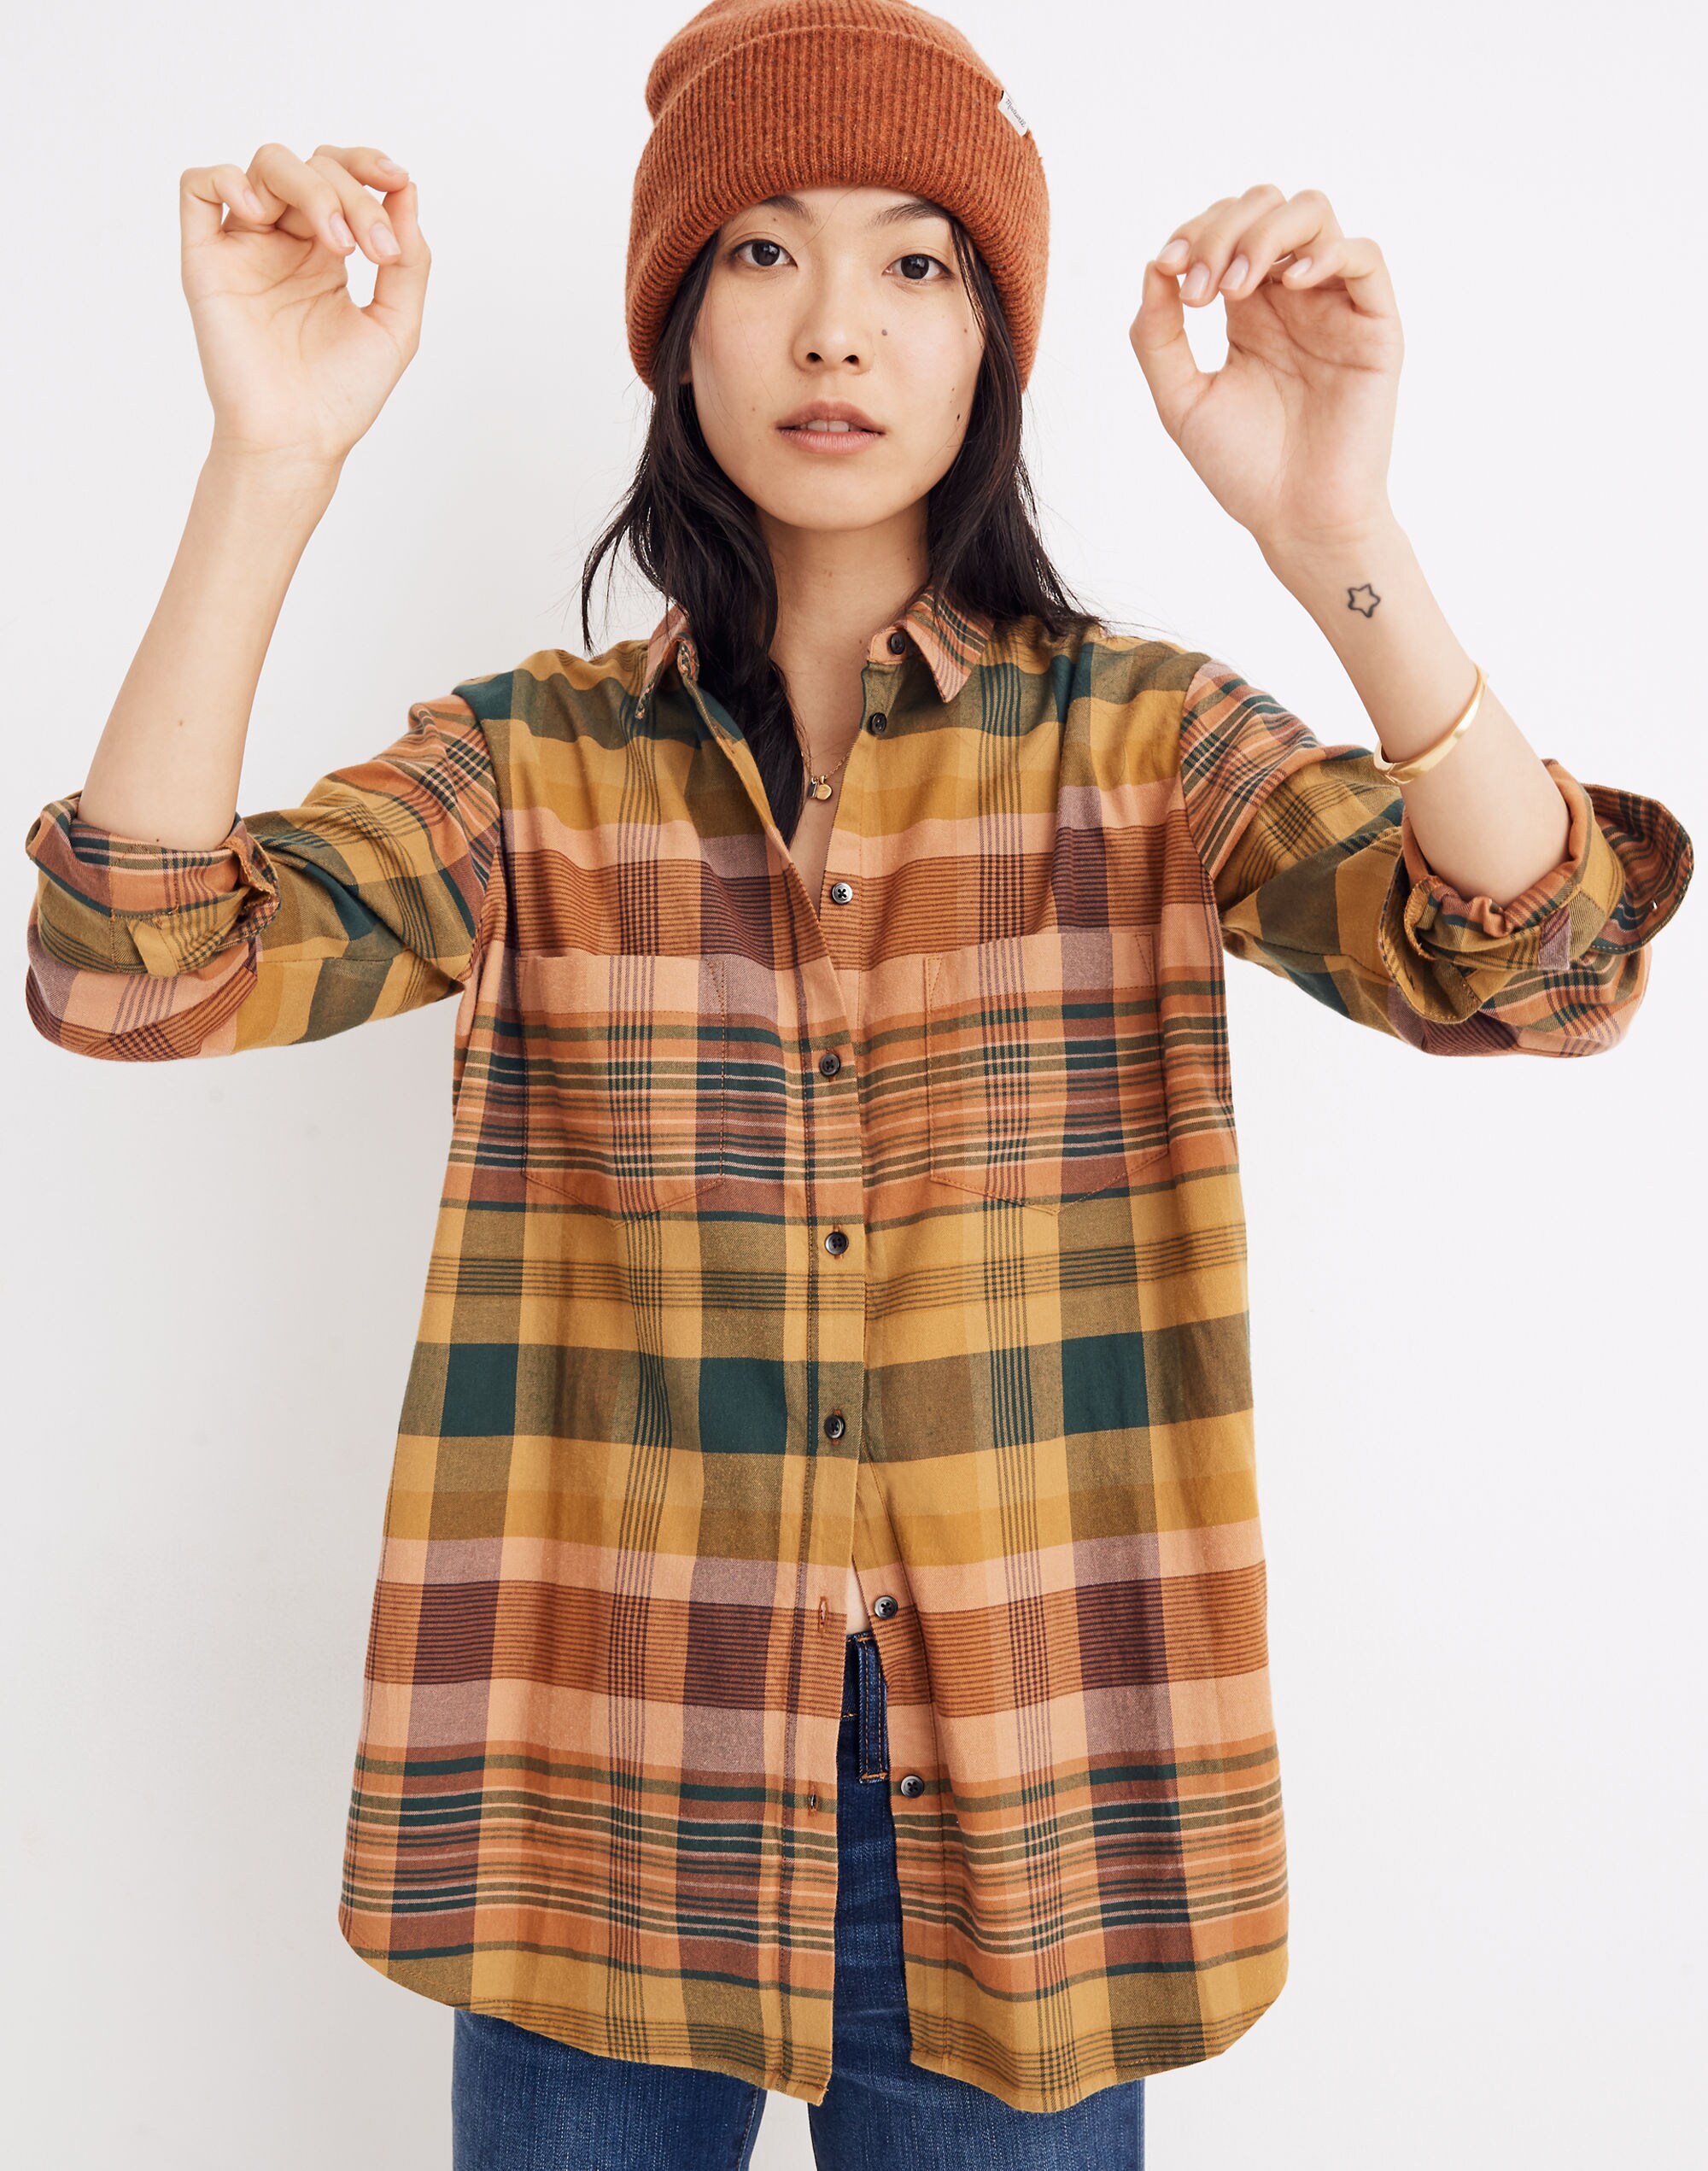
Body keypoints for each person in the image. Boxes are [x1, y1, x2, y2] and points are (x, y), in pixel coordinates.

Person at [21, 2, 1693, 2166]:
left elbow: (1543, 966)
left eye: (914, 260)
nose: (835, 326)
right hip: (597, 1787)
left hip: (1030, 1812)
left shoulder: (1145, 744)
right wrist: (270, 460)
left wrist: (1335, 533)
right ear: (678, 329)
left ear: (992, 335)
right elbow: (133, 973)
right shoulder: (528, 764)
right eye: (761, 251)